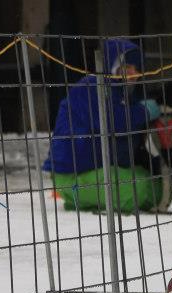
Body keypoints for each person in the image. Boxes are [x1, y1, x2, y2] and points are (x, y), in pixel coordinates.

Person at [43, 38, 162, 213]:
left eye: (137, 69)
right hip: (74, 174)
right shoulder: (91, 87)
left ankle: (91, 200)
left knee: (156, 186)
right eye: (128, 68)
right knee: (140, 187)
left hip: (101, 170)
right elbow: (111, 121)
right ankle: (79, 197)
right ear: (113, 66)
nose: (134, 74)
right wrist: (143, 112)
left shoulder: (123, 94)